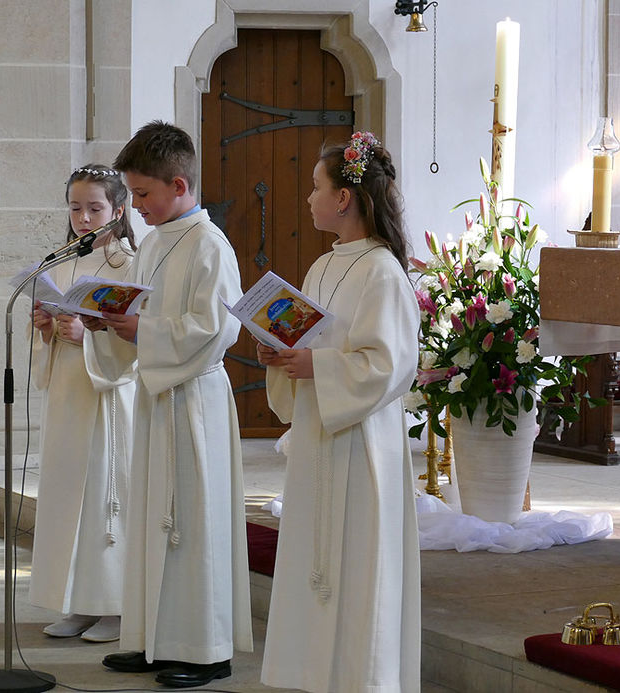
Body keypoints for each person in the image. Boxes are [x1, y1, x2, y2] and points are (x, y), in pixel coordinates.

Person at [82, 121, 253, 688]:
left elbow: (214, 329)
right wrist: (104, 322)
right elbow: (136, 312)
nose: (137, 206)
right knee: (154, 518)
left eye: (144, 194)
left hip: (194, 400)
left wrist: (141, 330)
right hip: (158, 398)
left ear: (180, 186)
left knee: (194, 526)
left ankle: (205, 650)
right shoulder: (153, 242)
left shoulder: (211, 246)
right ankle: (154, 639)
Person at [257, 132, 421, 693]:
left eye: (316, 188)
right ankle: (309, 677)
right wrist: (281, 357)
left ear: (345, 198)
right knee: (311, 563)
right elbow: (311, 340)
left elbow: (390, 364)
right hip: (316, 440)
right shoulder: (322, 268)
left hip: (361, 446)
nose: (309, 199)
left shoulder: (382, 272)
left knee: (357, 571)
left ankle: (360, 680)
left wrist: (317, 366)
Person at [28, 164, 137, 644]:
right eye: (76, 207)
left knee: (103, 499)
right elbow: (51, 338)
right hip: (68, 395)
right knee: (68, 496)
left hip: (108, 395)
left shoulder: (129, 265)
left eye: (95, 208)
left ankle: (113, 605)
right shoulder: (60, 263)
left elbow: (135, 345)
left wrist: (87, 339)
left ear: (118, 209)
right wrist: (48, 331)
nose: (84, 218)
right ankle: (75, 602)